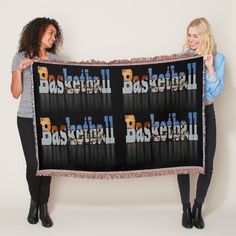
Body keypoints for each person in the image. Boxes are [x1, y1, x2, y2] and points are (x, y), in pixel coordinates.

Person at [11, 17, 63, 228]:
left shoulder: (55, 60)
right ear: (39, 32)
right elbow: (15, 93)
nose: (53, 37)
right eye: (50, 33)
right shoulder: (19, 57)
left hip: (49, 119)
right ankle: (35, 201)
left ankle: (44, 207)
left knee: (47, 164)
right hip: (25, 118)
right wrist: (18, 70)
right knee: (33, 164)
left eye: (55, 34)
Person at [177, 17, 225, 229]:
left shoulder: (218, 58)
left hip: (207, 112)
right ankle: (185, 208)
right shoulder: (182, 58)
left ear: (205, 35)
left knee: (207, 166)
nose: (191, 39)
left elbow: (216, 92)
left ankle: (198, 208)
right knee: (183, 163)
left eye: (195, 35)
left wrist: (210, 67)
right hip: (186, 116)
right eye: (189, 35)